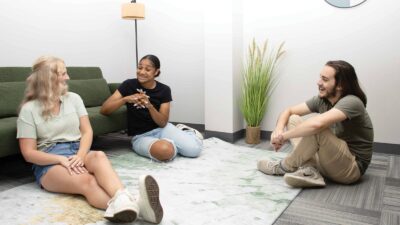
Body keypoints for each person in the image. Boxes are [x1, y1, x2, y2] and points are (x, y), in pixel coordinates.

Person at [17, 56, 163, 223]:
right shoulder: (28, 110)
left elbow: (87, 132)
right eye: (63, 73)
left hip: (76, 149)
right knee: (88, 181)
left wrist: (80, 155)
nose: (68, 77)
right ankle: (140, 208)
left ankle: (126, 202)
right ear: (48, 79)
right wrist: (60, 159)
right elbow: (28, 153)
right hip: (50, 160)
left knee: (99, 155)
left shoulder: (73, 98)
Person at [257, 60, 374, 188]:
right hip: (329, 160)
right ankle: (310, 171)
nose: (318, 82)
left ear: (340, 85)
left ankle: (283, 167)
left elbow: (316, 125)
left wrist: (283, 137)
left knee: (317, 128)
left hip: (350, 169)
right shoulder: (323, 100)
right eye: (320, 78)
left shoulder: (352, 102)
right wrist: (278, 130)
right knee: (294, 119)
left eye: (324, 79)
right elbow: (289, 111)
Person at [100, 54, 203, 162]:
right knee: (165, 151)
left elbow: (162, 123)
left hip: (163, 129)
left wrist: (149, 105)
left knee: (194, 151)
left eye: (148, 69)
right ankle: (171, 143)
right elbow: (104, 110)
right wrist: (125, 99)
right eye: (140, 68)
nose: (142, 72)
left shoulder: (164, 90)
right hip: (140, 137)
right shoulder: (128, 85)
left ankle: (187, 133)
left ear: (156, 72)